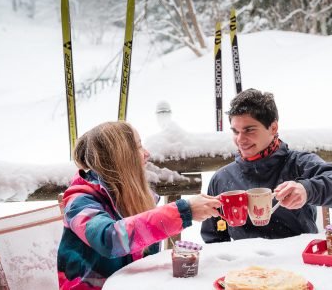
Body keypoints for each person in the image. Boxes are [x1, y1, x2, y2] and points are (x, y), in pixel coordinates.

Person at [57, 121, 221, 289]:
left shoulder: (131, 195)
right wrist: (184, 212)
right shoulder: (79, 200)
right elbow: (110, 239)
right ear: (120, 156)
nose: (147, 154)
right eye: (139, 147)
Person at [201, 89, 332, 243]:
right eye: (235, 132)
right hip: (248, 266)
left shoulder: (299, 163)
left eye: (249, 130)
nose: (240, 139)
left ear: (273, 128)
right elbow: (215, 238)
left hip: (298, 260)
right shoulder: (222, 178)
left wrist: (307, 189)